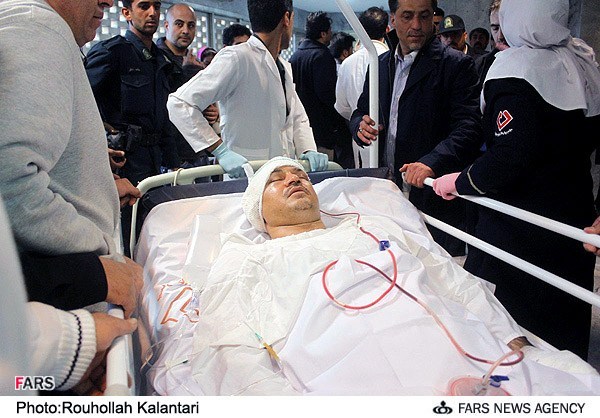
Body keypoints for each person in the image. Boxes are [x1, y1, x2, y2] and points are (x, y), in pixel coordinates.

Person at [184, 157, 600, 396]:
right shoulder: (248, 260)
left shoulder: (374, 228)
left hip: (442, 335)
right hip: (341, 360)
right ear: (258, 210)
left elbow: (450, 280)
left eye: (301, 175)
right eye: (276, 181)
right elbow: (230, 348)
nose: (294, 179)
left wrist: (509, 336)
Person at [432, 0, 600, 359]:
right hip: (574, 217)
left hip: (519, 226)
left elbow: (510, 155)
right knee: (564, 329)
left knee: (509, 331)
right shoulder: (581, 62)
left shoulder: (515, 71)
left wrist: (460, 182)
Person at [0, 0, 142, 315]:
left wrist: (96, 183)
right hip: (65, 300)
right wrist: (100, 252)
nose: (107, 1)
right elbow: (10, 185)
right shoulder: (38, 28)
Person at [350, 0, 482, 256]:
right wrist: (359, 126)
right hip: (387, 190)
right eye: (407, 16)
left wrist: (431, 162)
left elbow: (469, 127)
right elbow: (360, 111)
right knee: (392, 263)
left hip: (433, 195)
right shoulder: (380, 65)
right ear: (393, 19)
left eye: (424, 16)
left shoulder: (455, 65)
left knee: (439, 268)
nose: (417, 25)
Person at [167, 0, 328, 179]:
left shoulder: (282, 66)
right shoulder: (236, 58)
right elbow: (178, 103)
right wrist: (220, 150)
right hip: (246, 175)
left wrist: (307, 149)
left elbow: (297, 116)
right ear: (286, 18)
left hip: (282, 173)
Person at [0, 196, 137, 395]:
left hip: (37, 368)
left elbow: (12, 382)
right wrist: (76, 339)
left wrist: (69, 350)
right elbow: (18, 192)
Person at [157, 3, 218, 170]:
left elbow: (204, 102)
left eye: (191, 25)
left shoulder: (196, 63)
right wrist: (187, 72)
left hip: (199, 151)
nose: (185, 30)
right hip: (170, 157)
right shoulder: (156, 60)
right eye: (179, 24)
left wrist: (212, 112)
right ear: (167, 26)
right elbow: (166, 104)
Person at [335, 7, 389, 168]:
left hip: (360, 136)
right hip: (387, 139)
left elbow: (342, 107)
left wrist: (357, 120)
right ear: (387, 29)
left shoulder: (347, 63)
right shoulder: (392, 59)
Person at [289, 12, 347, 164]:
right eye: (329, 31)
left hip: (299, 130)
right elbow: (328, 96)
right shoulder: (322, 55)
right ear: (323, 34)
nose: (331, 35)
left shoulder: (295, 56)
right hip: (321, 131)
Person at [475, 0, 509, 93]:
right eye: (495, 28)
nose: (500, 36)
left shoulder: (535, 62)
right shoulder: (481, 64)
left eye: (505, 26)